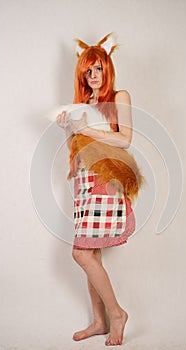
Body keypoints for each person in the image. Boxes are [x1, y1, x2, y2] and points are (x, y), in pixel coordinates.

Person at [57, 33, 144, 346]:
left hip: (106, 182)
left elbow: (124, 140)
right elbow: (79, 145)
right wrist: (69, 127)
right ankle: (99, 321)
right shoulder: (84, 105)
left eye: (98, 69)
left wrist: (85, 127)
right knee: (90, 253)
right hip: (84, 182)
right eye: (87, 72)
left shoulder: (119, 96)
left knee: (80, 253)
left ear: (108, 68)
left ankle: (116, 313)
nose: (93, 76)